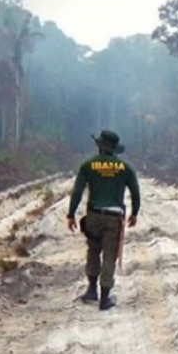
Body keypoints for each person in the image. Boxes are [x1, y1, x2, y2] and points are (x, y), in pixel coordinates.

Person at [67, 130, 141, 311]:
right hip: (114, 219)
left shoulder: (88, 166)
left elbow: (77, 192)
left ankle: (92, 290)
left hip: (93, 216)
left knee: (93, 250)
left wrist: (71, 214)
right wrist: (134, 213)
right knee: (110, 255)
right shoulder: (125, 168)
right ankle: (105, 297)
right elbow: (135, 193)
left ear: (100, 146)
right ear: (115, 149)